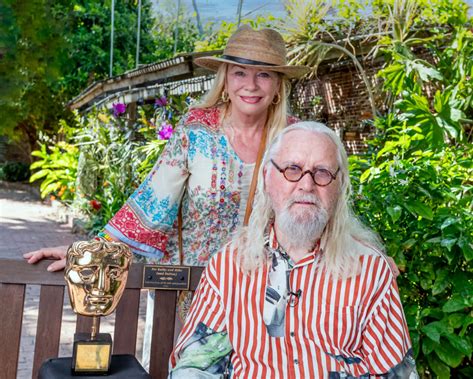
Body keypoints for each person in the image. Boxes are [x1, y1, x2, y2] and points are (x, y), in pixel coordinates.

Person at [23, 25, 309, 367]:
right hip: (196, 297)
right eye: (240, 72)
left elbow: (316, 210)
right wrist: (91, 251)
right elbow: (152, 202)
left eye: (264, 74)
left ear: (277, 85)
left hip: (269, 298)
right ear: (225, 78)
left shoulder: (295, 139)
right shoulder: (196, 132)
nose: (250, 84)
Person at [169, 121, 418, 378]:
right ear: (267, 176)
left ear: (340, 184)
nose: (306, 185)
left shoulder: (370, 269)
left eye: (322, 172)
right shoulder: (228, 266)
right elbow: (196, 366)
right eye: (292, 169)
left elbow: (396, 373)